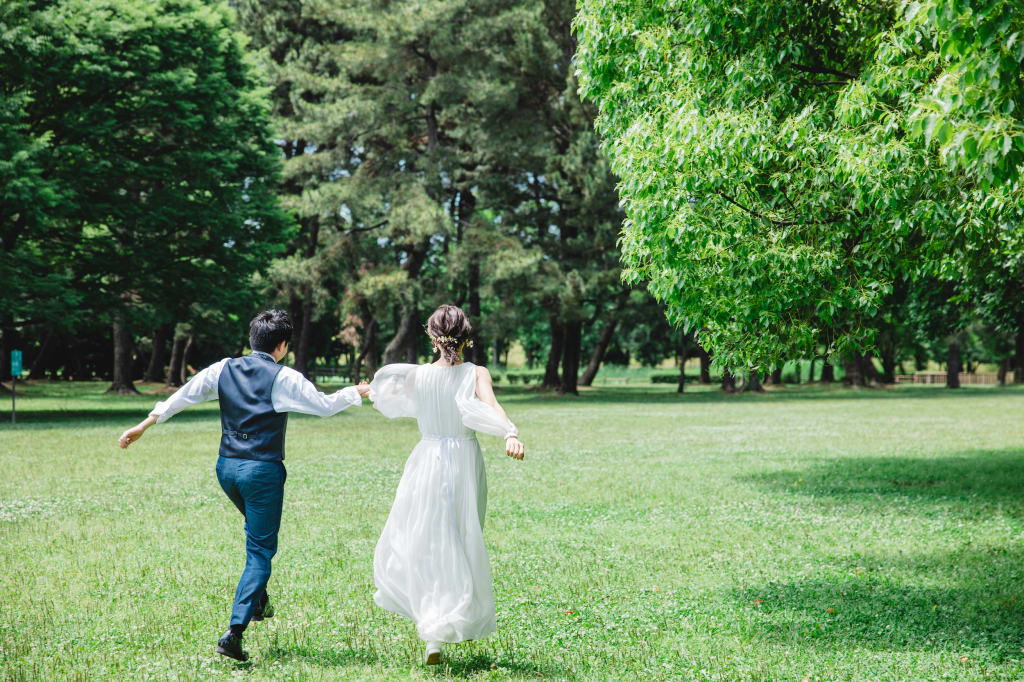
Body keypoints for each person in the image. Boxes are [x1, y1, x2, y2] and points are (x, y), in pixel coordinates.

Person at [117, 310, 370, 662]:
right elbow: (325, 406)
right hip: (261, 473)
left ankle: (259, 601)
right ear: (282, 346)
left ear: (253, 339)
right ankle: (234, 631)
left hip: (226, 470)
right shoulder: (284, 377)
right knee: (261, 552)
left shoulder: (223, 368)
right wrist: (355, 392)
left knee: (256, 535)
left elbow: (184, 395)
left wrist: (145, 424)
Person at [368, 304, 525, 666]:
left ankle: (435, 633)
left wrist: (368, 390)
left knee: (430, 539)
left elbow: (387, 398)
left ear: (431, 336)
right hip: (463, 461)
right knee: (459, 537)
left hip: (426, 460)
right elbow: (492, 407)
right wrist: (509, 433)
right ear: (466, 337)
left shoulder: (416, 376)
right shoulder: (475, 373)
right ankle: (445, 621)